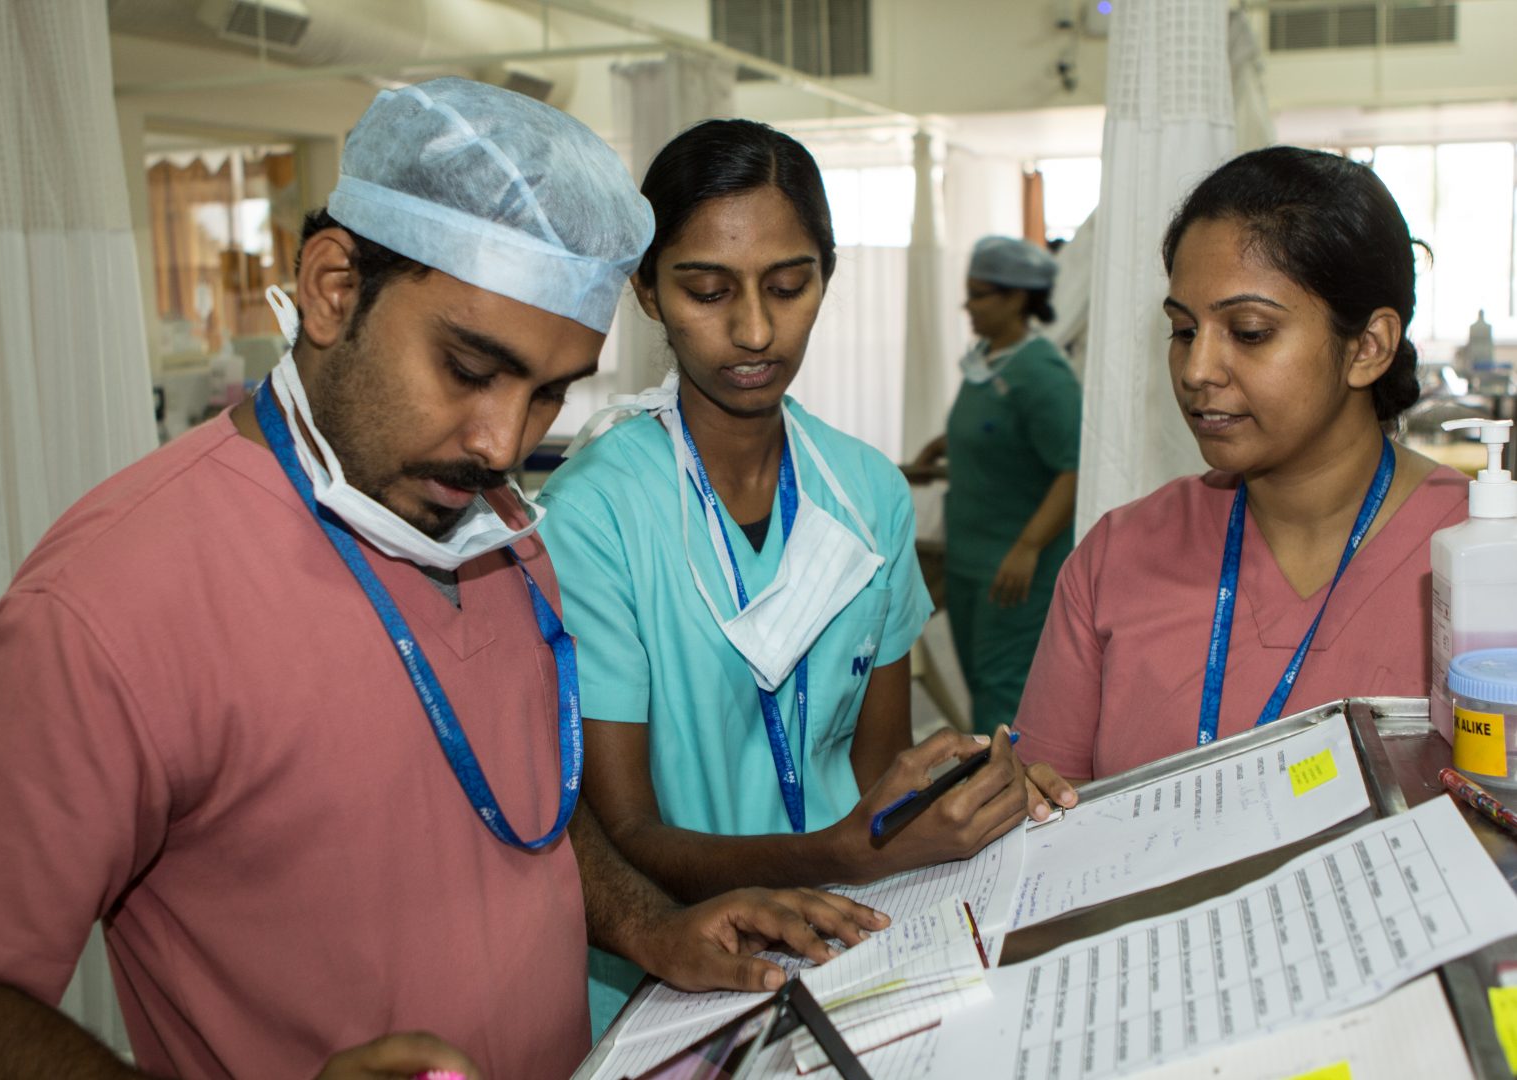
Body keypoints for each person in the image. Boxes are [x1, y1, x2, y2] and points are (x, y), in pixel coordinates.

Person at [0, 81, 886, 1080]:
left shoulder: (495, 540)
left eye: (547, 395)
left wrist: (655, 929)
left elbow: (522, 816)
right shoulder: (110, 607)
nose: (502, 444)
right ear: (330, 288)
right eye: (467, 366)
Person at [535, 119, 1075, 1030]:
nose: (754, 329)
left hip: (851, 933)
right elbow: (625, 837)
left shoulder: (866, 491)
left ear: (826, 274)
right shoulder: (596, 514)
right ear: (647, 292)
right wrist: (839, 850)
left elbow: (880, 782)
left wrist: (964, 796)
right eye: (707, 290)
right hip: (676, 970)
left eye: (789, 286)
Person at [1015, 146, 1469, 781]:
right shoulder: (1119, 557)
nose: (1197, 370)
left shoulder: (1480, 559)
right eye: (1183, 331)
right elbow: (1038, 807)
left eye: (1249, 332)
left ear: (1368, 347)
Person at [909, 237, 1082, 736]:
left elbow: (1073, 468)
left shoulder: (1042, 375)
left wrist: (1028, 546)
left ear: (1017, 297)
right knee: (981, 682)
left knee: (1003, 689)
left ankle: (1006, 800)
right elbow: (998, 428)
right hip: (970, 561)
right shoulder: (988, 360)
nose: (969, 307)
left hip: (1015, 571)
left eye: (981, 295)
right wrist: (946, 445)